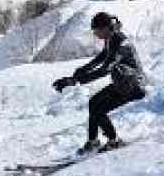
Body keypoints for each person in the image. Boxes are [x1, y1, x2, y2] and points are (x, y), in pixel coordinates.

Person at [52, 12, 147, 154]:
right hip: (124, 82)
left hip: (133, 86)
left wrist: (74, 81)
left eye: (97, 30)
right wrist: (82, 70)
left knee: (99, 109)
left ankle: (114, 141)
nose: (95, 34)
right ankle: (93, 141)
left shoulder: (121, 43)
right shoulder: (111, 38)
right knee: (93, 103)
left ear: (106, 28)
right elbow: (101, 58)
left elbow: (105, 69)